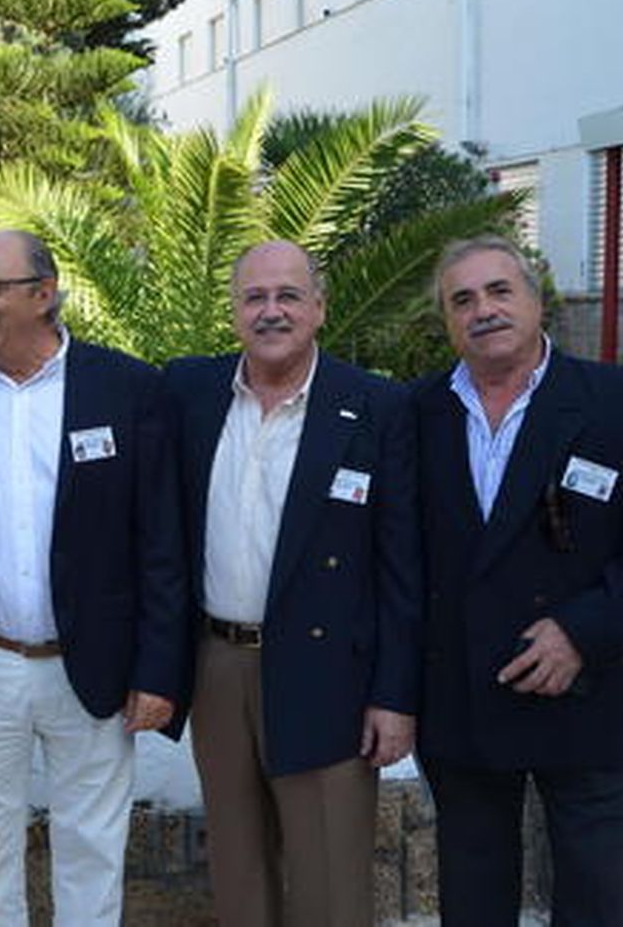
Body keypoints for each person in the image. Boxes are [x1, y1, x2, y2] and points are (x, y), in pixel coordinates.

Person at [415, 234, 623, 926]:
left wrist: (582, 630)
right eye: (463, 300)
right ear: (448, 321)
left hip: (586, 694)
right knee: (473, 899)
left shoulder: (621, 402)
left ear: (536, 301)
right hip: (462, 697)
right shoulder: (417, 412)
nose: (483, 310)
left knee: (596, 898)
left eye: (498, 291)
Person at [0, 229, 187, 927]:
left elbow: (160, 539)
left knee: (93, 849)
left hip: (92, 663)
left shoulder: (126, 388)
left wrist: (159, 671)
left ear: (44, 293)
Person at [163, 239, 420, 927]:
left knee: (330, 883)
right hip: (216, 666)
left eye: (287, 296)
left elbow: (402, 570)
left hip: (328, 671)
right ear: (233, 311)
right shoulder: (188, 392)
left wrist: (395, 696)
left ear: (319, 308)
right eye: (254, 297)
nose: (270, 311)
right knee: (238, 874)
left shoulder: (375, 407)